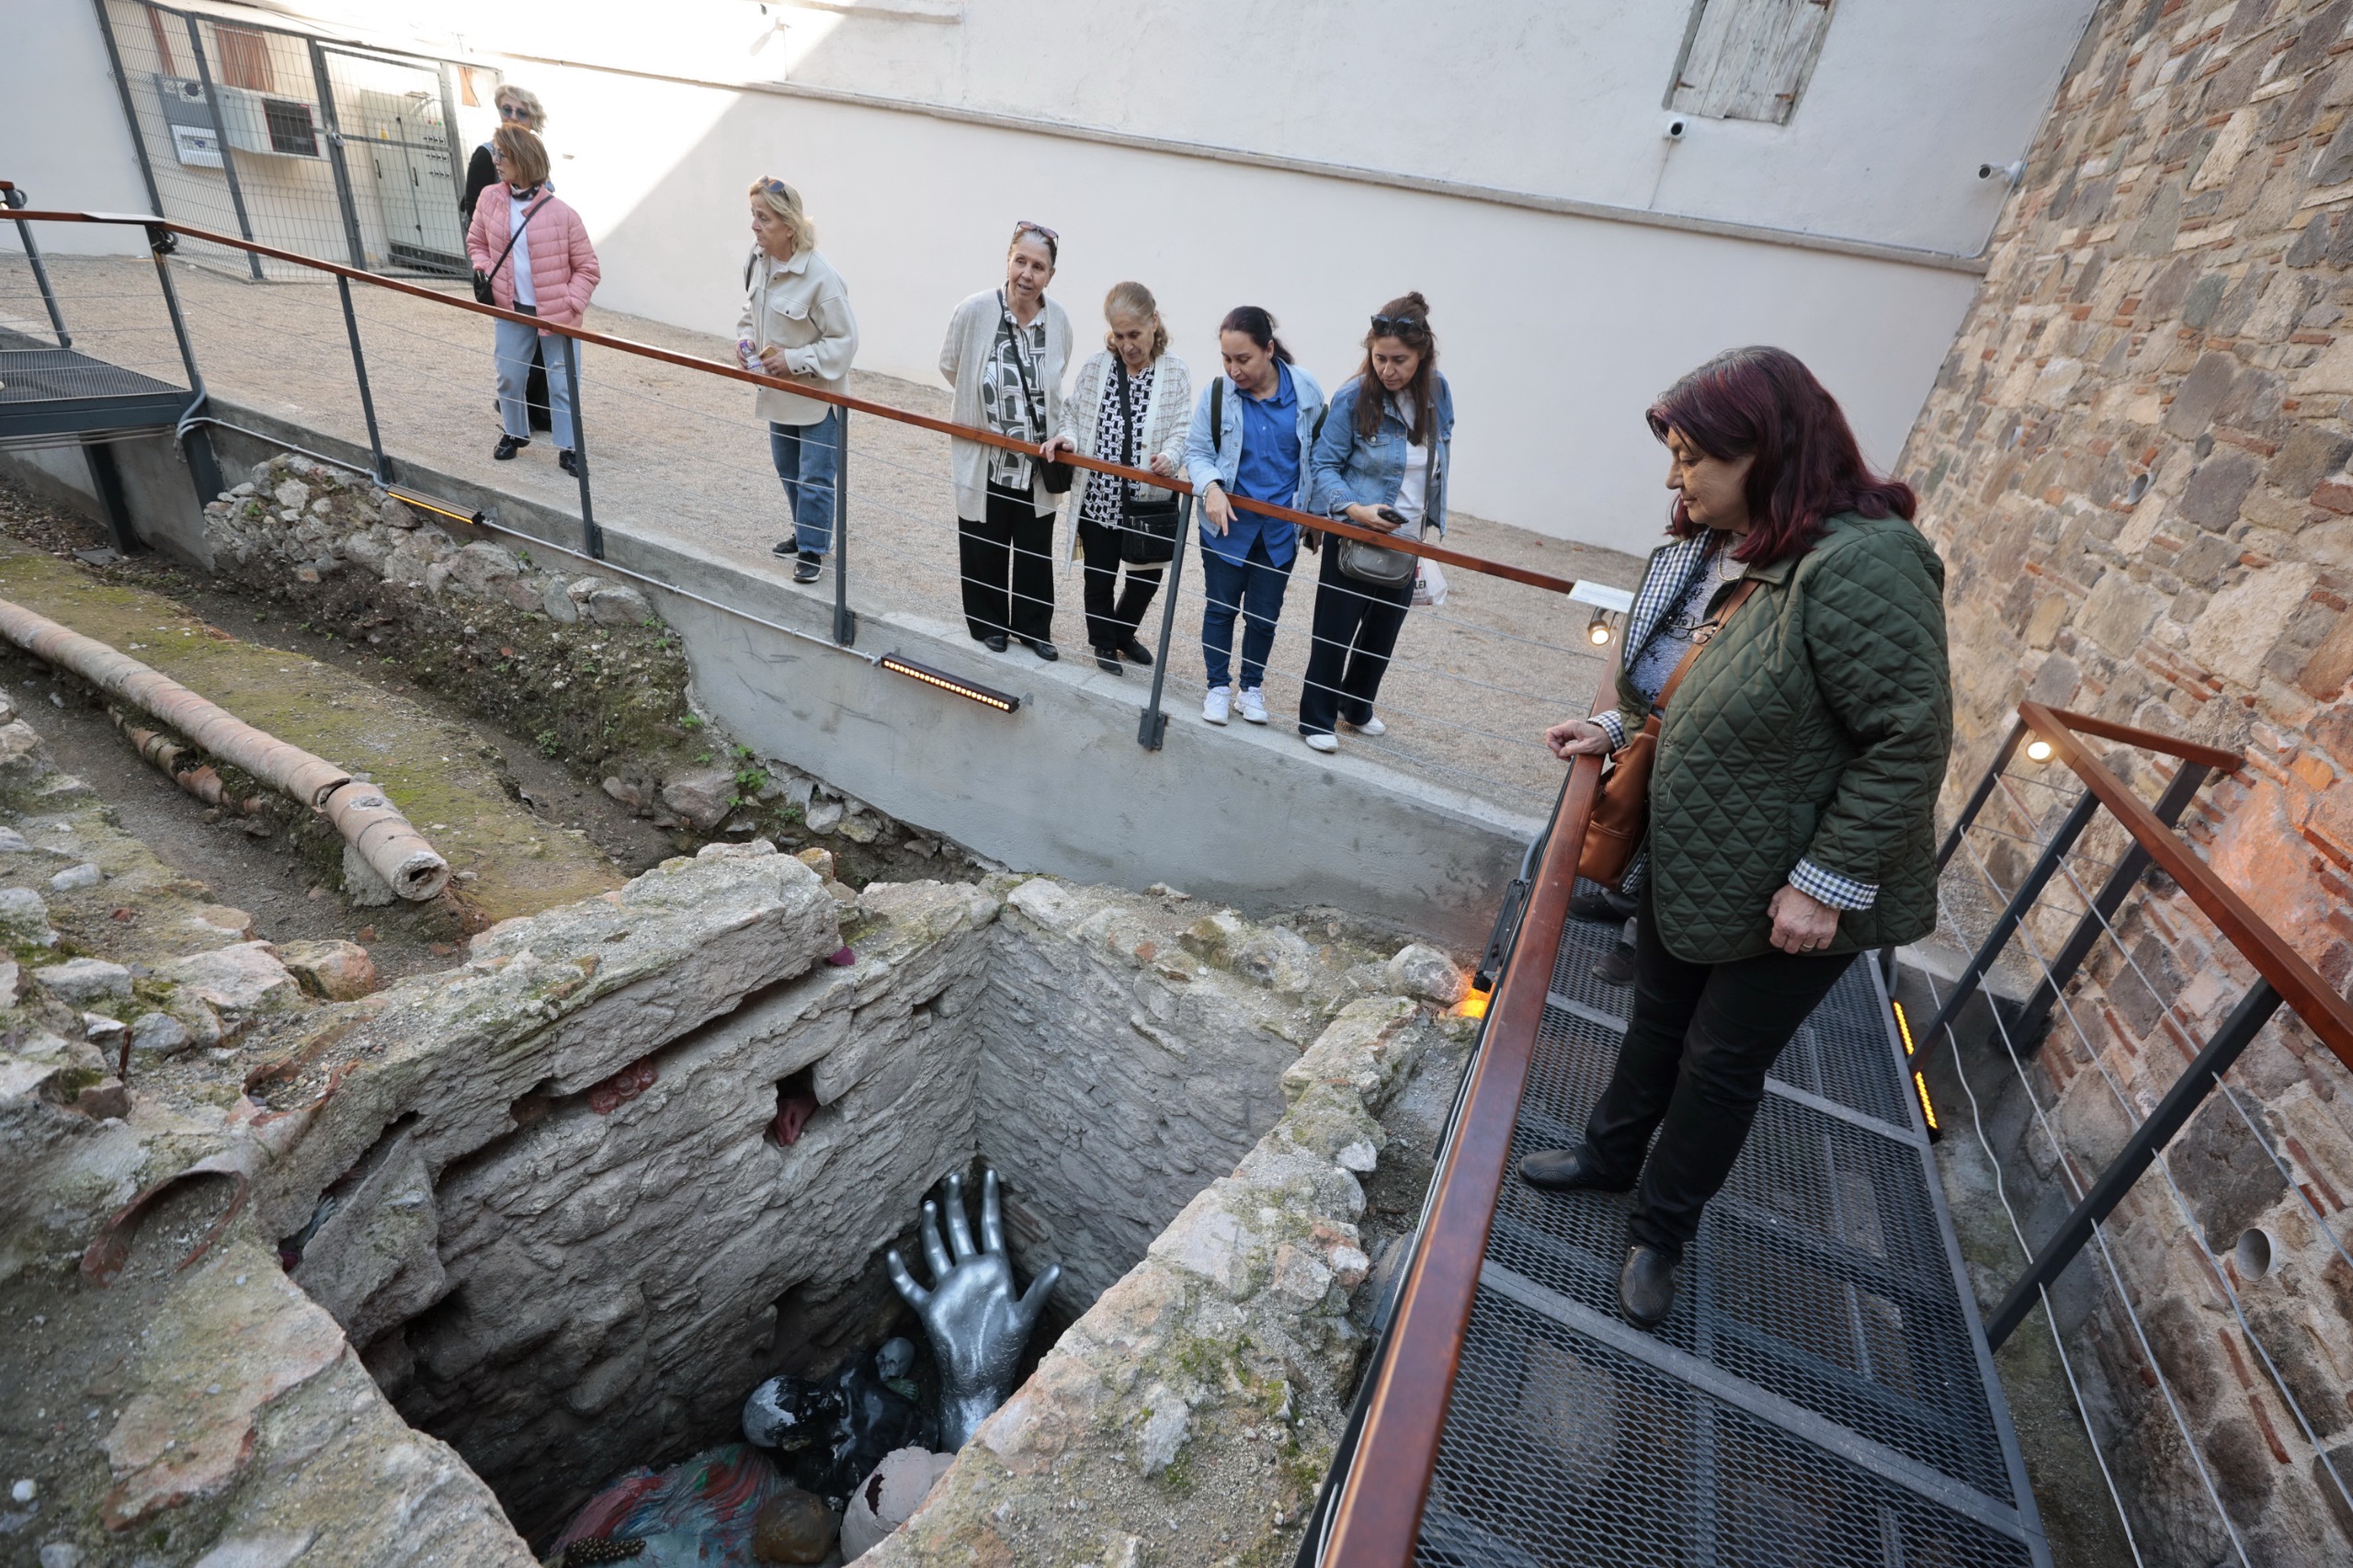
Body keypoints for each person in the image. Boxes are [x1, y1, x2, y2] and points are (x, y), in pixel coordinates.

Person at [1518, 346, 1951, 1333]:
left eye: (1689, 456)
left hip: (1794, 896)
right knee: (1657, 1024)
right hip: (1705, 858)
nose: (1675, 478)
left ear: (1762, 447)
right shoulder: (1768, 550)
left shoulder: (1864, 560)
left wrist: (1825, 882)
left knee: (1718, 1063)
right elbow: (1701, 693)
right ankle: (1607, 1156)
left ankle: (1659, 1233)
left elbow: (1908, 738)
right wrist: (1619, 731)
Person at [1298, 292, 1452, 752]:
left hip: (1407, 536)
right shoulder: (1353, 396)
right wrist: (1354, 510)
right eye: (1379, 357)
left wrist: (1430, 521)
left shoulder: (1439, 392)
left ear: (1422, 355)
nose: (1387, 369)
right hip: (1355, 533)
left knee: (1382, 634)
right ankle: (1315, 719)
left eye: (1399, 360)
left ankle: (1357, 706)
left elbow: (1439, 457)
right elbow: (1322, 466)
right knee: (1335, 630)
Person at [1182, 307, 1325, 725]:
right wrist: (1210, 487)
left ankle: (1251, 689)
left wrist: (1315, 517)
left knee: (1264, 617)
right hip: (1226, 527)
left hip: (1280, 530)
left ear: (1268, 349)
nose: (1233, 369)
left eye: (1243, 359)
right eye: (1226, 359)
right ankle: (1217, 688)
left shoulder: (1306, 391)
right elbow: (1197, 452)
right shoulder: (1216, 394)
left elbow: (1319, 456)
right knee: (1220, 609)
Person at [1041, 281, 1192, 675]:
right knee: (1100, 574)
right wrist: (1068, 439)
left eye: (1135, 334)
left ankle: (1124, 633)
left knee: (1147, 578)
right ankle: (1104, 643)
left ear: (1154, 323)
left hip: (1148, 499)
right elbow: (1073, 415)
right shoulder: (1097, 366)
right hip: (1100, 493)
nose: (1127, 345)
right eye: (1120, 334)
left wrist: (1170, 456)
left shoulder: (1175, 372)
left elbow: (1182, 428)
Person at [941, 223, 1073, 659]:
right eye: (1021, 261)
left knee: (1036, 549)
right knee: (983, 541)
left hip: (1036, 464)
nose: (1027, 274)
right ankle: (989, 623)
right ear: (1008, 260)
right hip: (987, 455)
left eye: (1039, 266)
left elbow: (1055, 387)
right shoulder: (976, 310)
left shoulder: (1060, 323)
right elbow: (950, 366)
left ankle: (1034, 628)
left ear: (1050, 275)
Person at [738, 177, 858, 585]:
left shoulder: (822, 277)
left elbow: (845, 343)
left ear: (789, 226)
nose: (754, 225)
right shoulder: (758, 261)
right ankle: (806, 531)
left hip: (818, 398)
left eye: (763, 218)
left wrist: (795, 360)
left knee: (815, 477)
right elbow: (749, 311)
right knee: (788, 469)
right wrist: (745, 342)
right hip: (778, 393)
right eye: (754, 215)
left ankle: (811, 550)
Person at [465, 126, 599, 474]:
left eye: (502, 155)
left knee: (563, 382)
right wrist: (484, 270)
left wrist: (571, 303)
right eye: (495, 153)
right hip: (510, 307)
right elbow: (476, 241)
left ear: (523, 159)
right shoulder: (489, 199)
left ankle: (569, 448)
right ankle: (514, 432)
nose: (495, 161)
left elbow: (588, 267)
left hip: (557, 314)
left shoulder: (563, 214)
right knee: (508, 375)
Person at [460, 85, 551, 432]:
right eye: (507, 110)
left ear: (533, 119)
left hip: (541, 271)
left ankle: (539, 411)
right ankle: (515, 416)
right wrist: (485, 267)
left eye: (521, 112)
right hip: (509, 270)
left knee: (544, 344)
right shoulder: (488, 155)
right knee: (514, 348)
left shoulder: (535, 154)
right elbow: (476, 216)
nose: (513, 117)